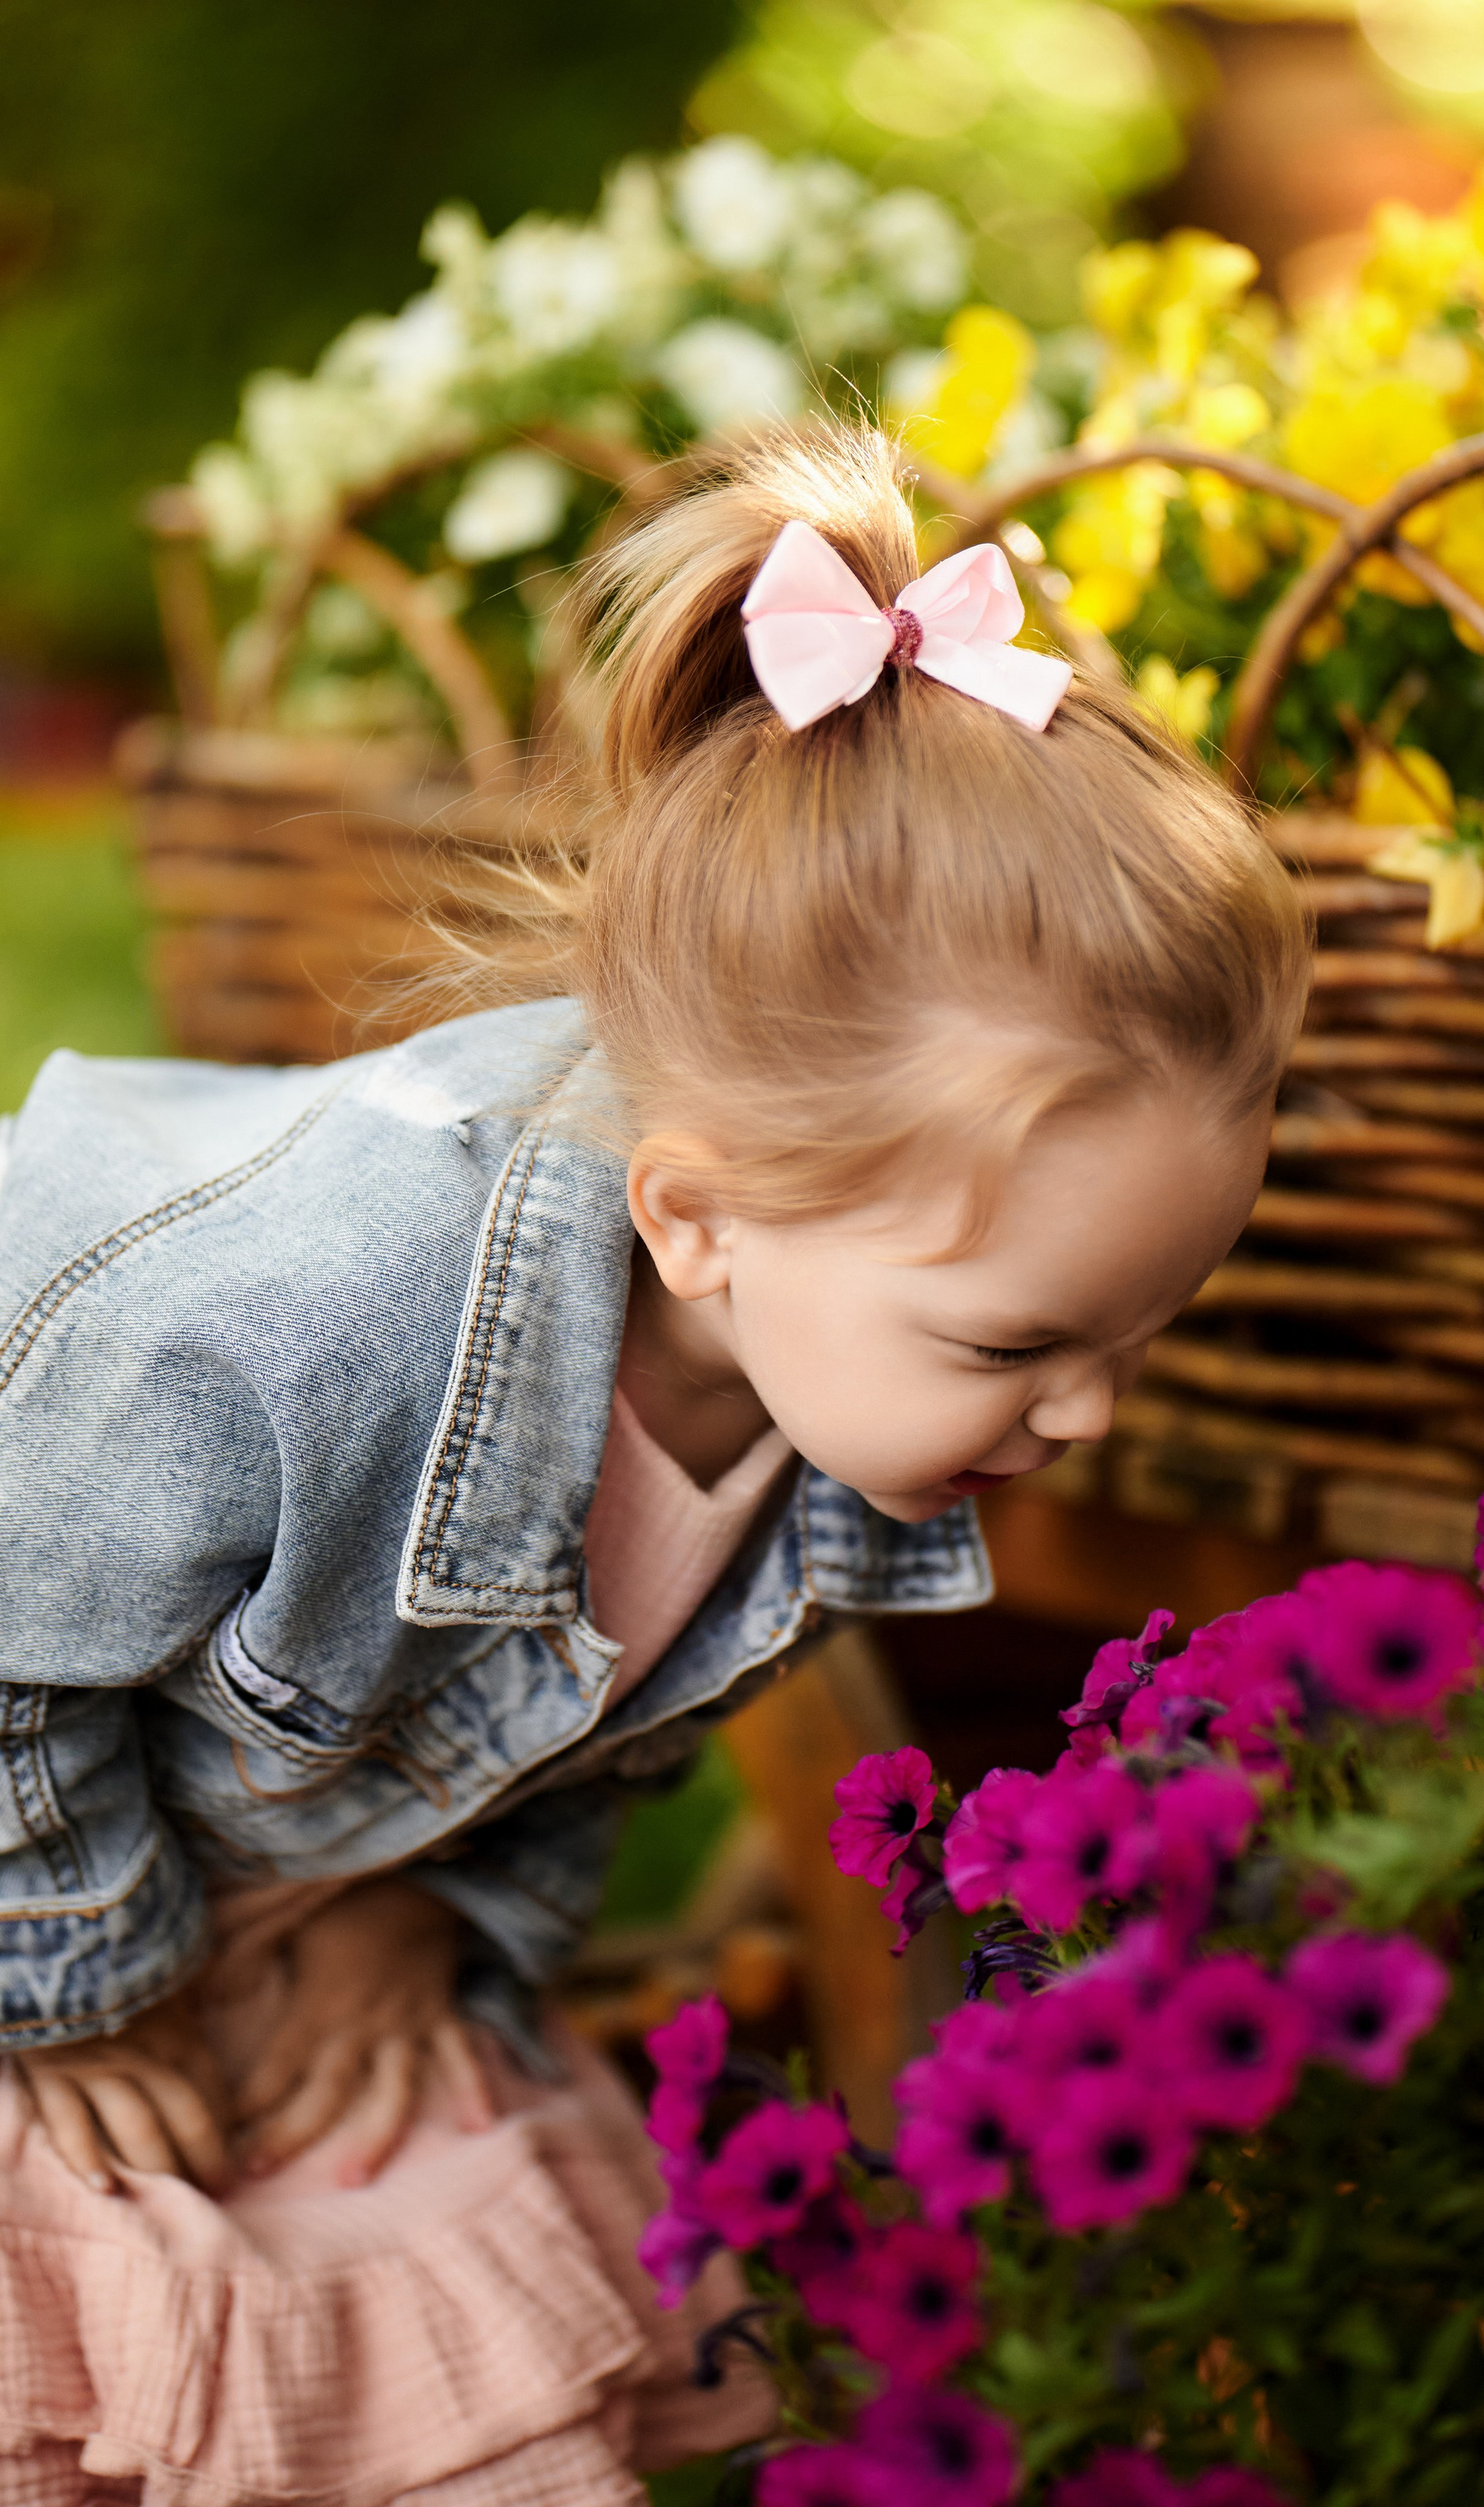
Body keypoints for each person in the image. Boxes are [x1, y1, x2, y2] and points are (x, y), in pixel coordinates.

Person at [0, 422, 1309, 2504]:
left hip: (269, 1876)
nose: (1091, 1412)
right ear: (696, 1221)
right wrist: (83, 1991)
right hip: (32, 1857)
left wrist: (430, 1925)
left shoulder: (831, 1427)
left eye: (1142, 1330)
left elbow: (581, 1739)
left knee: (437, 2287)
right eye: (1020, 1341)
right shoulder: (293, 1335)